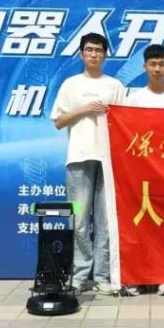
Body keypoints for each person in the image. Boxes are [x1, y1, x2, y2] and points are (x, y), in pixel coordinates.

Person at [50, 32, 125, 295]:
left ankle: (103, 276)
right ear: (82, 54)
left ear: (106, 54)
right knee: (80, 219)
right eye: (89, 50)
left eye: (98, 50)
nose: (94, 54)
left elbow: (126, 122)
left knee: (106, 221)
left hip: (109, 160)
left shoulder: (114, 85)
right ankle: (80, 275)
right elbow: (59, 121)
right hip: (79, 157)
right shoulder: (70, 84)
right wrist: (85, 109)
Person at [125, 44, 164, 296]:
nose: (157, 69)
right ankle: (139, 277)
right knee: (142, 225)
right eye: (152, 64)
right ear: (145, 67)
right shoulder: (134, 99)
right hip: (141, 171)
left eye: (161, 64)